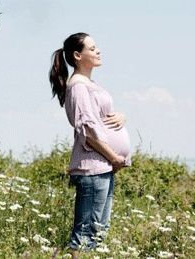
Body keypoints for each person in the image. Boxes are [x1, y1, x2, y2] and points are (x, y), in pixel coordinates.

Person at [49, 33, 131, 257]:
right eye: (92, 48)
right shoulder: (78, 87)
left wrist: (121, 117)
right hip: (93, 168)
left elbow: (102, 118)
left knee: (98, 232)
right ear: (77, 55)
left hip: (103, 168)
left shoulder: (88, 84)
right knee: (85, 232)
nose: (98, 51)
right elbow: (86, 131)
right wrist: (113, 157)